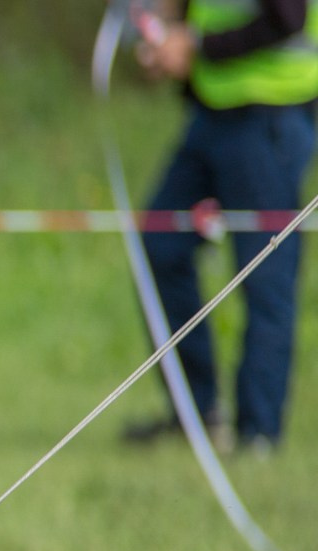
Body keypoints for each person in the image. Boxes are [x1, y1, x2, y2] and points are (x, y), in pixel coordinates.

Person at [126, 0, 318, 456]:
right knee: (159, 242)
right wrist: (169, 38)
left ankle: (258, 434)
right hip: (212, 114)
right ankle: (197, 413)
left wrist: (195, 46)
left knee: (264, 275)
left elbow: (286, 18)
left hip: (272, 115)